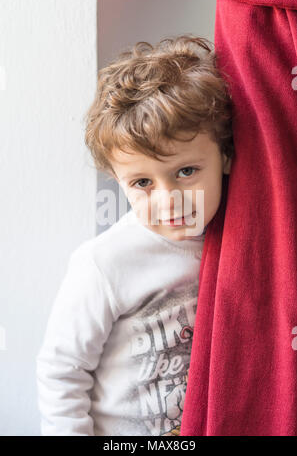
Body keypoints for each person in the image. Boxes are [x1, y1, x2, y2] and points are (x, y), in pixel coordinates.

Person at [35, 34, 234, 436]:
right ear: (116, 179)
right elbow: (62, 371)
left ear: (225, 156)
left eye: (186, 171)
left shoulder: (239, 240)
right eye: (143, 182)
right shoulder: (105, 263)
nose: (168, 200)